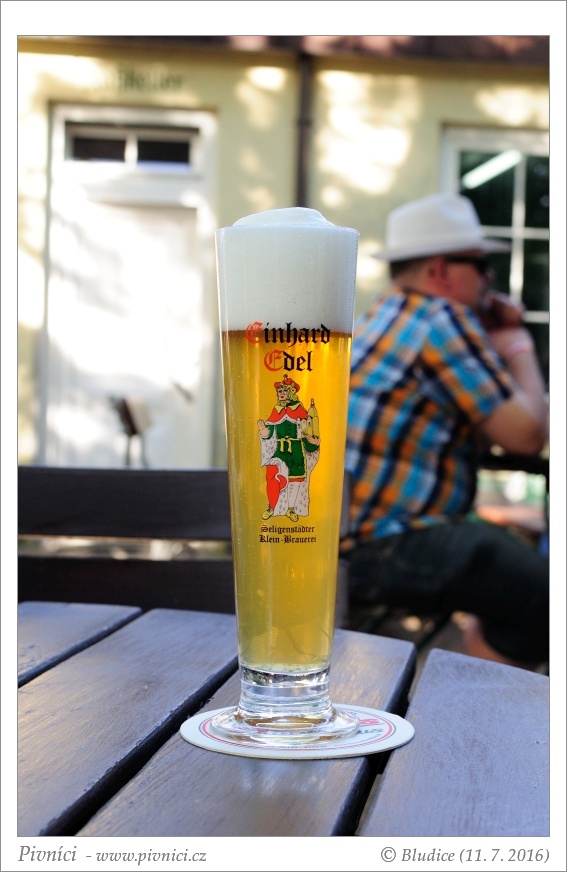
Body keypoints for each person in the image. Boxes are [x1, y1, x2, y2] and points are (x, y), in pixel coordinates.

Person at [341, 193, 549, 670]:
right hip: (381, 543)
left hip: (346, 539)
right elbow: (526, 435)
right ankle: (480, 698)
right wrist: (517, 344)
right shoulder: (441, 319)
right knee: (546, 596)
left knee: (508, 574)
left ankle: (481, 671)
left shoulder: (385, 314)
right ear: (441, 271)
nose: (490, 278)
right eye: (481, 264)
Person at [258, 376, 320, 521]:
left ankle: (291, 509)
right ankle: (271, 507)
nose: (281, 393)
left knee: (295, 480)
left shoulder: (299, 410)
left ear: (291, 392)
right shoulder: (277, 410)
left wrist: (313, 443)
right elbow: (270, 432)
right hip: (279, 451)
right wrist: (264, 433)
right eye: (279, 391)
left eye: (284, 391)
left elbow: (307, 432)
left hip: (296, 451)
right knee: (272, 478)